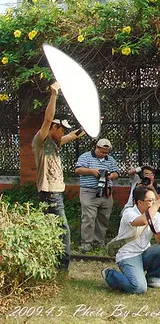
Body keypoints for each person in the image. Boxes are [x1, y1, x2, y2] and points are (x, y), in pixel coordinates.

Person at [31, 82, 85, 270]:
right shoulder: (42, 140)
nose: (63, 132)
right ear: (54, 127)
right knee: (63, 231)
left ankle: (48, 262)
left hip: (54, 193)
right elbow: (47, 119)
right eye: (61, 129)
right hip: (49, 192)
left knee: (50, 229)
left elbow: (74, 135)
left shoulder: (56, 142)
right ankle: (62, 268)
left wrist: (90, 123)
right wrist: (53, 95)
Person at [101, 186, 160, 294]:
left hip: (144, 253)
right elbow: (143, 221)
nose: (154, 203)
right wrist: (159, 202)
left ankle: (152, 278)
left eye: (155, 200)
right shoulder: (129, 213)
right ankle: (110, 274)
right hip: (128, 256)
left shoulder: (156, 215)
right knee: (138, 288)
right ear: (139, 202)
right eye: (150, 201)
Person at [74, 139, 120, 253]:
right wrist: (92, 171)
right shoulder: (85, 157)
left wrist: (110, 176)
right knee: (89, 218)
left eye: (106, 152)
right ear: (96, 147)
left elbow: (117, 173)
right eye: (102, 152)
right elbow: (77, 170)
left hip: (106, 192)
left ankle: (99, 243)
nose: (104, 154)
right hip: (89, 192)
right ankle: (86, 244)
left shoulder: (110, 160)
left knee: (103, 218)